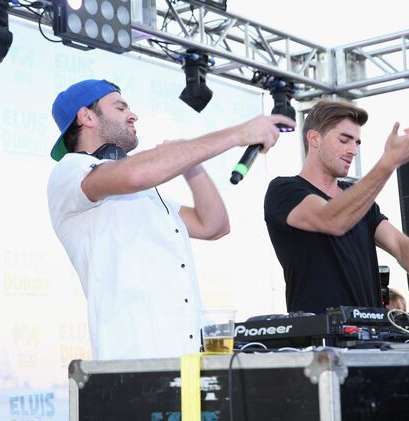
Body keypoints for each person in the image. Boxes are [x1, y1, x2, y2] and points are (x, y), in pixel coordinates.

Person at [47, 79, 294, 360]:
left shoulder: (146, 194)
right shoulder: (71, 171)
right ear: (86, 116)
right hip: (134, 363)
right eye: (120, 107)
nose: (133, 114)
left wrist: (191, 163)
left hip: (188, 359)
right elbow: (136, 174)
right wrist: (238, 134)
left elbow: (213, 225)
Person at [264, 100, 409, 316]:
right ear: (314, 138)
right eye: (344, 140)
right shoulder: (284, 190)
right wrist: (389, 161)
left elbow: (400, 244)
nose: (352, 150)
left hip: (371, 335)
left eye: (357, 143)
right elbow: (332, 220)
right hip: (318, 338)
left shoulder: (358, 199)